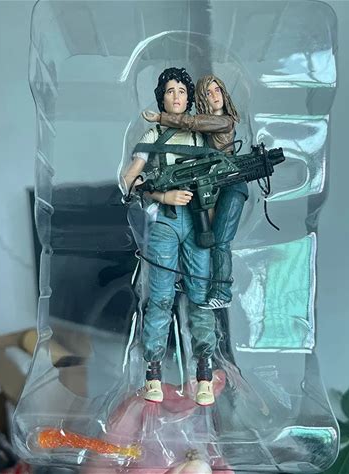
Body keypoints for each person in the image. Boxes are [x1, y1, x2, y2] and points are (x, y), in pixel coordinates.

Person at [123, 68, 216, 406]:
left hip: (197, 221)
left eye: (181, 91)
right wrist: (162, 195)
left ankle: (204, 372)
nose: (176, 97)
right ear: (161, 97)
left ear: (189, 98)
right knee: (160, 297)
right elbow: (129, 180)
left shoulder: (200, 137)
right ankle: (153, 373)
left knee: (200, 296)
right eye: (170, 91)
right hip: (165, 221)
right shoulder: (154, 135)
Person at [143, 74, 248, 310]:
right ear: (202, 99)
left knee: (220, 241)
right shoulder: (203, 132)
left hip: (231, 186)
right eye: (208, 93)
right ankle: (194, 281)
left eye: (217, 90)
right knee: (204, 237)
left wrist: (160, 118)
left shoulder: (224, 122)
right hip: (213, 187)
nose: (215, 96)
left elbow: (193, 122)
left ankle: (222, 292)